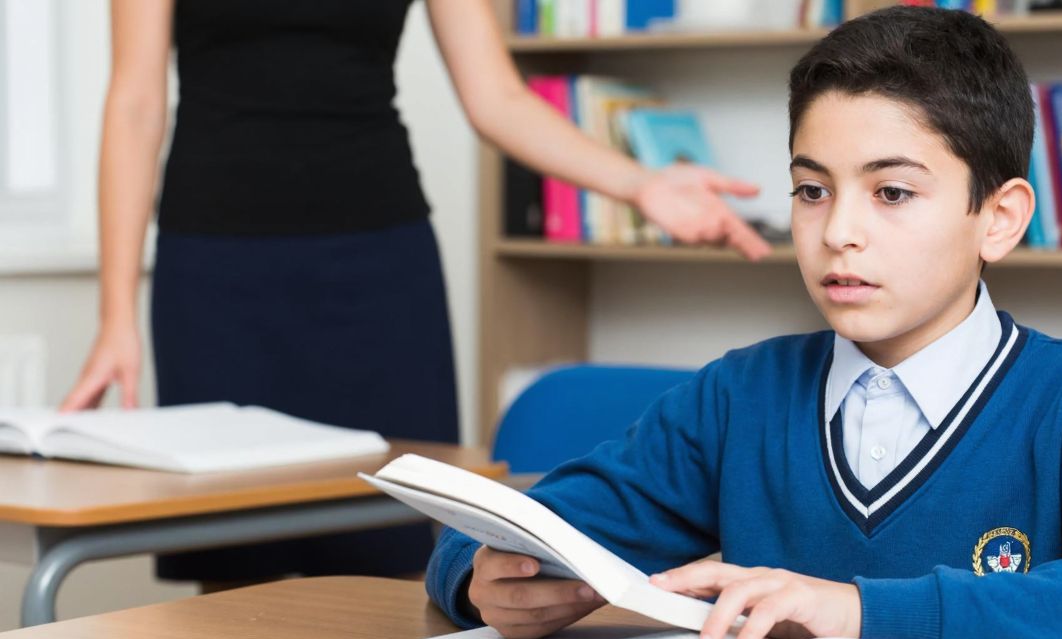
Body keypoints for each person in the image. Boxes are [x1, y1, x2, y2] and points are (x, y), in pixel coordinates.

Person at [426, 6, 1062, 639]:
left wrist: (855, 609)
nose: (839, 231)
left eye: (891, 192)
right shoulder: (739, 398)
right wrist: (482, 580)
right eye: (812, 190)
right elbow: (500, 528)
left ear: (999, 218)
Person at [60, 0, 770, 592]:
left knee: (390, 546)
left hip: (378, 265)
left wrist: (639, 185)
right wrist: (115, 314)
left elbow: (496, 97)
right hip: (214, 269)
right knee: (234, 569)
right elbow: (134, 104)